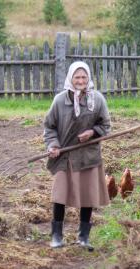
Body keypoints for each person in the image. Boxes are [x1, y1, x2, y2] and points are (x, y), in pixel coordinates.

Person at [43, 61, 111, 250]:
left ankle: (83, 237)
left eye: (84, 77)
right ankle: (56, 236)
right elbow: (49, 127)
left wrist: (93, 132)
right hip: (64, 156)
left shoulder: (97, 100)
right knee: (59, 195)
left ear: (88, 78)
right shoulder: (59, 101)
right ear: (70, 79)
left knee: (88, 196)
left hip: (88, 156)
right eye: (77, 77)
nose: (80, 80)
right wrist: (53, 145)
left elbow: (106, 126)